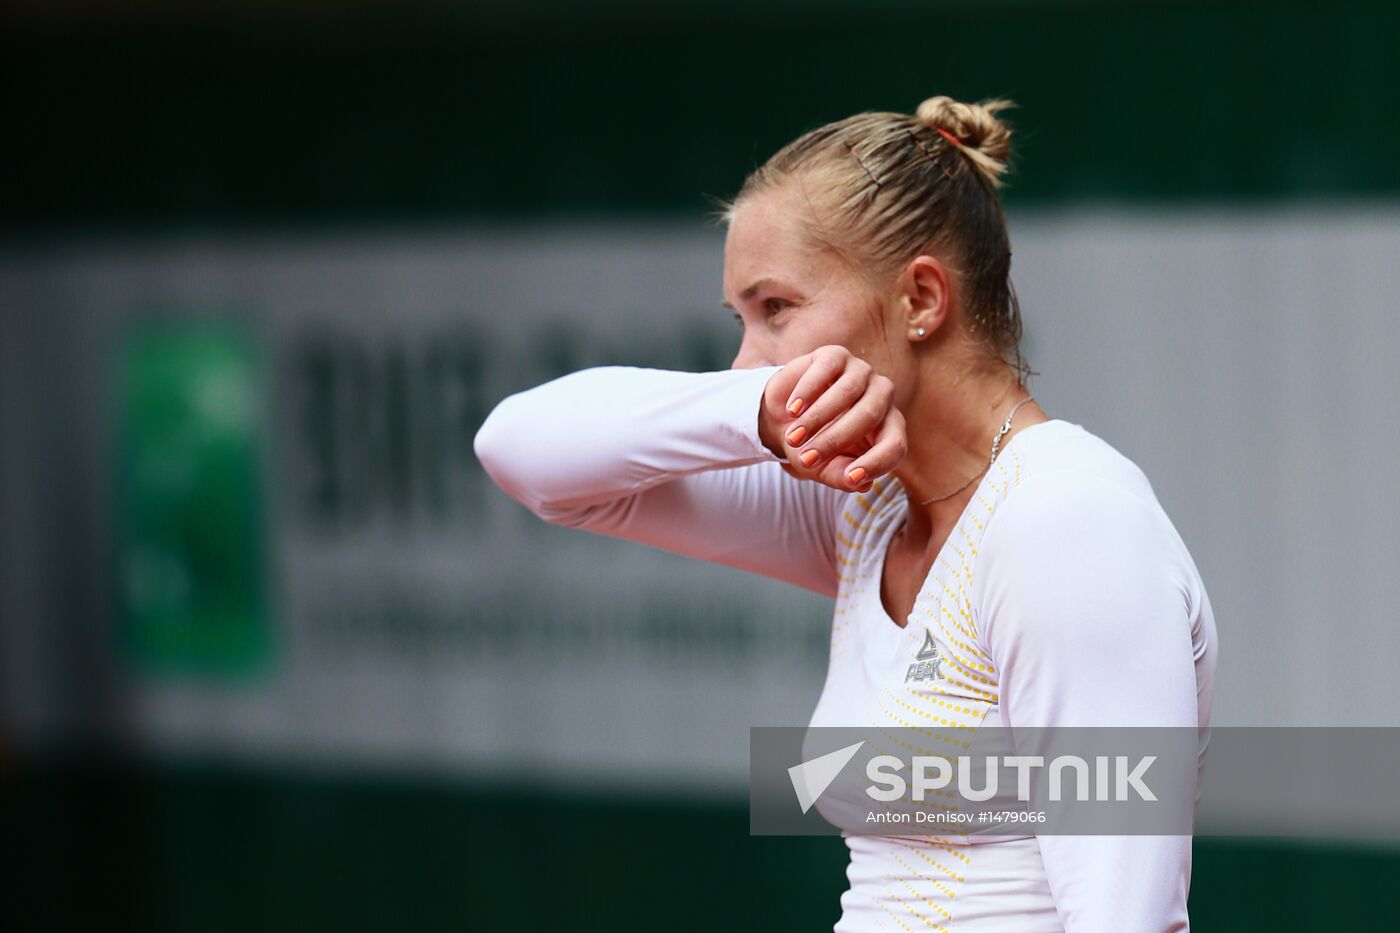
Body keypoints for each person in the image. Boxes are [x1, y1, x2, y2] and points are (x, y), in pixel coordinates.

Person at [473, 94, 1218, 932]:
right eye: (741, 321)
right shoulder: (864, 509)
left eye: (776, 309)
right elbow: (522, 453)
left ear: (922, 299)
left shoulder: (1065, 523)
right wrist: (751, 414)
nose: (744, 361)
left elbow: (1128, 920)